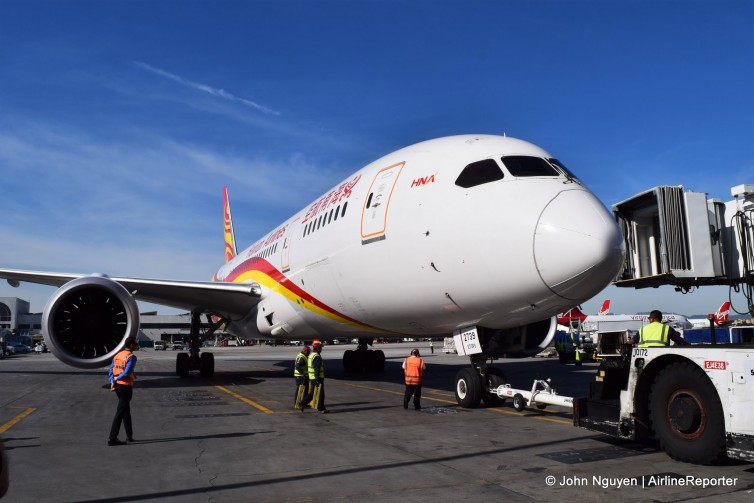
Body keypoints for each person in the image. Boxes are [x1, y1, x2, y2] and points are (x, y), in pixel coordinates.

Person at [108, 337, 139, 446]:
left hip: (117, 386)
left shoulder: (118, 355)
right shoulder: (132, 357)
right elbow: (126, 373)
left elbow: (111, 369)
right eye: (135, 343)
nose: (136, 345)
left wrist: (112, 380)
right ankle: (112, 438)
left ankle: (129, 436)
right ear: (130, 345)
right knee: (120, 412)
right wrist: (117, 378)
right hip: (126, 387)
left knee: (126, 410)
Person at [300, 340, 327, 413]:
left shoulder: (311, 355)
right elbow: (317, 369)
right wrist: (318, 380)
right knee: (321, 394)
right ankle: (321, 408)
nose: (321, 349)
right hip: (317, 378)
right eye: (320, 347)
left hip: (312, 378)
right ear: (317, 348)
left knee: (312, 394)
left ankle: (302, 403)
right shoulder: (317, 357)